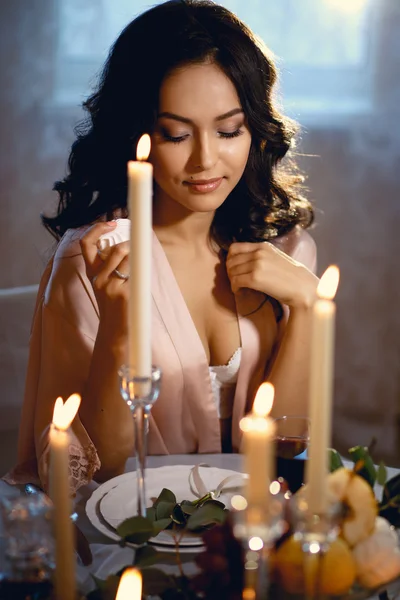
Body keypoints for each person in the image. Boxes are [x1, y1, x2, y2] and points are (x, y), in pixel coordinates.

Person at [7, 0, 318, 494]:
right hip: (131, 541)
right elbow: (82, 475)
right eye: (176, 134)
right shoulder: (92, 264)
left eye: (228, 130)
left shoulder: (285, 247)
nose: (205, 159)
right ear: (137, 135)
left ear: (255, 131)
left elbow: (285, 445)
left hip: (245, 534)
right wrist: (116, 334)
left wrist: (307, 307)